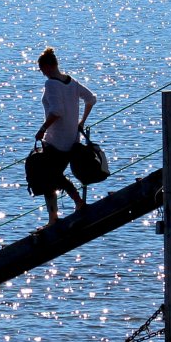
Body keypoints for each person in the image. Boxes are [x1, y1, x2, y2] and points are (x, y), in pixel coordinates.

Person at [33, 47, 97, 224]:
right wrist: (81, 122)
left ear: (47, 66)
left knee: (51, 175)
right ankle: (54, 217)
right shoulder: (72, 82)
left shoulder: (51, 84)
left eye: (41, 70)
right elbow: (91, 99)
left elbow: (57, 111)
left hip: (56, 140)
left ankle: (77, 202)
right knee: (51, 177)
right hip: (72, 139)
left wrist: (42, 129)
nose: (42, 74)